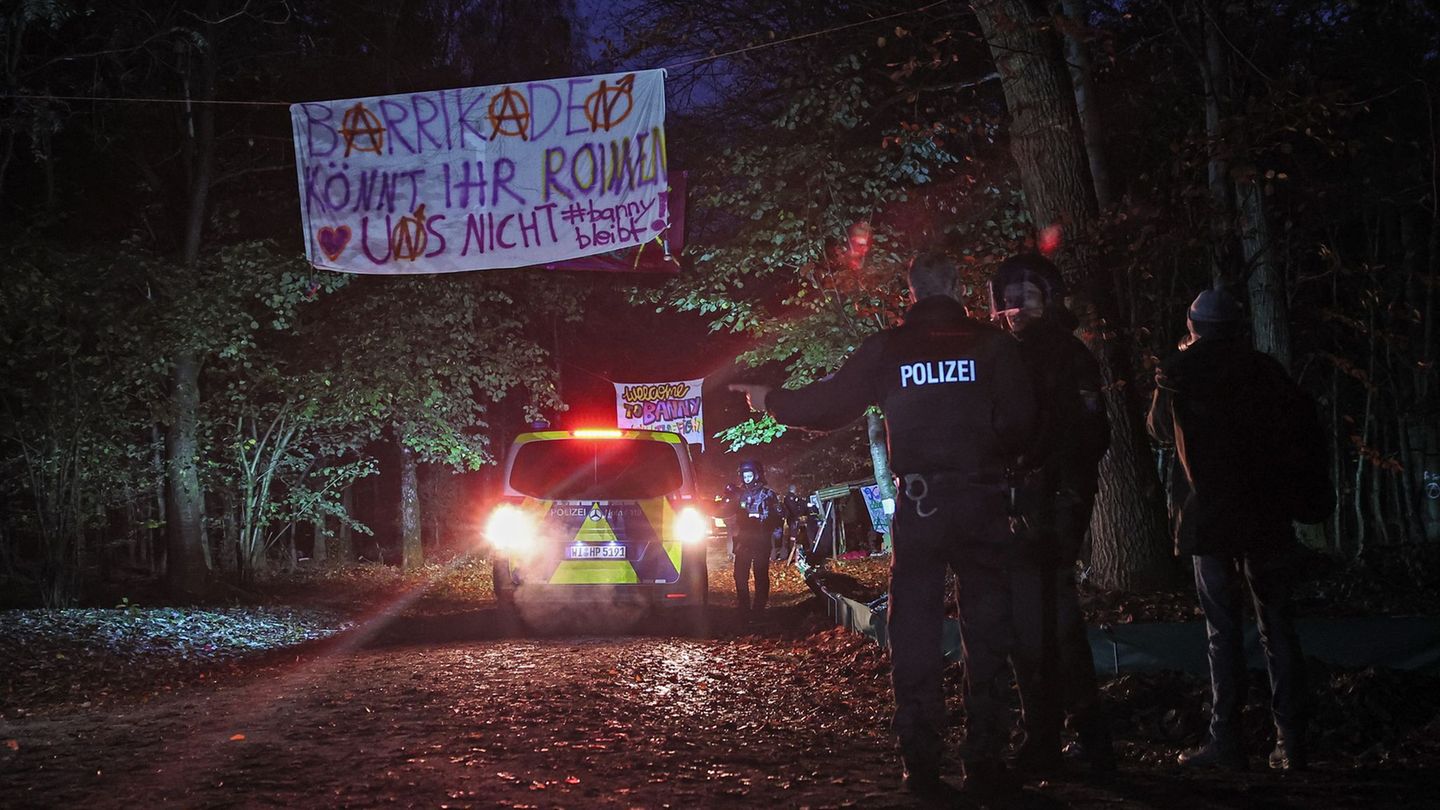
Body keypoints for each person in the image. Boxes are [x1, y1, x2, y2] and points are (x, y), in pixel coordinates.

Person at [730, 251, 1036, 798]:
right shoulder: (993, 347)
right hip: (984, 502)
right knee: (988, 630)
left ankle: (920, 762)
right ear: (960, 287)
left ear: (912, 293)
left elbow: (827, 403)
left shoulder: (889, 350)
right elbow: (1022, 422)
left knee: (912, 630)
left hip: (920, 507)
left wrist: (771, 400)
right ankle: (986, 757)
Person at [1147, 288, 1312, 772]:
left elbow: (1157, 429)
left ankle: (1226, 739)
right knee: (1277, 627)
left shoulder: (1178, 373)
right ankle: (1292, 739)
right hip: (1266, 516)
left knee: (1222, 630)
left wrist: (1171, 373)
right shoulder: (1266, 371)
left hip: (1209, 518)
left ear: (1192, 325)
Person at [990, 253, 1116, 774]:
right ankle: (1041, 735)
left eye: (1029, 296)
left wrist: (1062, 497)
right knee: (1025, 624)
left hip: (1055, 505)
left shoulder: (1070, 357)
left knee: (1057, 619)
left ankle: (1085, 736)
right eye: (1010, 298)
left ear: (1048, 299)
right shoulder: (999, 356)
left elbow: (1091, 435)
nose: (1018, 307)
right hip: (1015, 505)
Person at [724, 459, 781, 618]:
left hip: (761, 540)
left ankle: (759, 608)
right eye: (744, 475)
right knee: (740, 575)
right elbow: (724, 511)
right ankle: (744, 606)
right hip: (743, 540)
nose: (747, 478)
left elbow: (777, 518)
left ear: (756, 475)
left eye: (750, 475)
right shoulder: (738, 494)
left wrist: (777, 540)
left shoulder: (768, 495)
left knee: (760, 574)